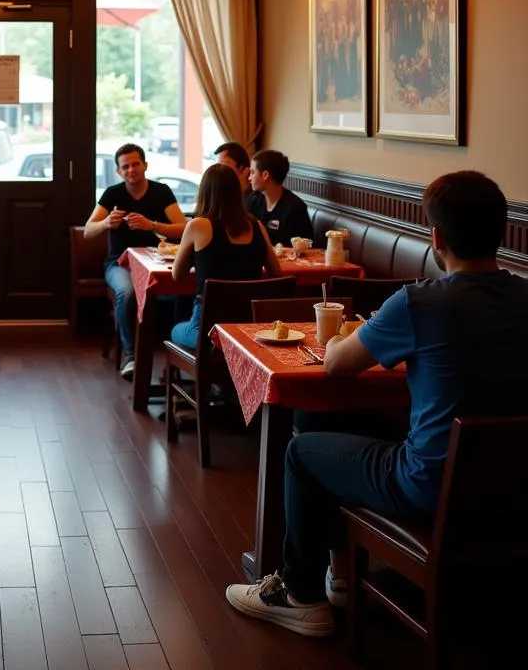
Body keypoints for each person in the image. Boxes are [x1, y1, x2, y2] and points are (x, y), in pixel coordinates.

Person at [225, 171, 528, 638]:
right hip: (514, 485)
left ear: (436, 238)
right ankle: (342, 577)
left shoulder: (420, 303)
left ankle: (300, 597)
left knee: (301, 452)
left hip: (426, 487)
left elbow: (337, 365)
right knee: (344, 424)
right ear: (503, 233)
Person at [84, 143, 186, 379]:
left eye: (135, 164)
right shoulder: (113, 193)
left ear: (145, 165)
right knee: (128, 293)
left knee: (185, 290)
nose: (131, 170)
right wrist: (107, 222)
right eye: (125, 166)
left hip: (158, 262)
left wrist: (152, 225)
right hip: (119, 264)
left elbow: (183, 229)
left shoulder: (161, 191)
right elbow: (89, 230)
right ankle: (131, 355)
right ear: (119, 171)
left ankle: (178, 356)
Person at [169, 163, 280, 350]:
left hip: (206, 329)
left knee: (174, 330)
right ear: (237, 193)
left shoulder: (198, 226)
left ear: (204, 192)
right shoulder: (257, 226)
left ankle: (211, 355)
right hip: (248, 328)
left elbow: (177, 275)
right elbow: (276, 270)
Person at [247, 149, 313, 247]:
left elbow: (303, 248)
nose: (249, 178)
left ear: (265, 175)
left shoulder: (295, 208)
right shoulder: (253, 200)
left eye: (252, 172)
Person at [214, 140, 261, 215]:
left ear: (244, 170)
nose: (220, 170)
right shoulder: (224, 195)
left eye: (224, 165)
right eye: (218, 166)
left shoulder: (256, 202)